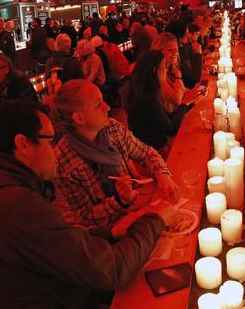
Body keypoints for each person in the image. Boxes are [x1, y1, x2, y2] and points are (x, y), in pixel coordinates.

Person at [0, 100, 173, 309]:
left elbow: (60, 242)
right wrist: (155, 219)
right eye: (49, 141)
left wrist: (112, 232)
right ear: (23, 144)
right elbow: (112, 270)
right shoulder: (15, 207)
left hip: (68, 298)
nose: (55, 152)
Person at [53, 80, 179, 229]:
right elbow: (85, 218)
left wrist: (163, 175)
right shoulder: (63, 162)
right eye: (98, 104)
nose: (107, 107)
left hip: (137, 207)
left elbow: (147, 154)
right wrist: (119, 200)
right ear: (79, 118)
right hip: (110, 233)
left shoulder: (112, 129)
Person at [127, 50, 200, 155]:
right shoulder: (146, 99)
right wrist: (185, 103)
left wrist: (192, 102)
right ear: (154, 70)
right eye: (164, 66)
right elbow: (171, 129)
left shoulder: (145, 91)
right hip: (152, 155)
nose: (166, 69)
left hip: (156, 148)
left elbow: (167, 118)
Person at [151, 32, 186, 112]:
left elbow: (181, 91)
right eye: (169, 50)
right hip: (171, 119)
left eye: (176, 49)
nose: (175, 53)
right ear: (158, 52)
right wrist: (178, 79)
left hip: (179, 112)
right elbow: (176, 100)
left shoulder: (171, 69)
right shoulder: (157, 72)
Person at [166, 19, 202, 89]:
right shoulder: (176, 53)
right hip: (185, 91)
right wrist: (198, 54)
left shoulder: (184, 46)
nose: (188, 36)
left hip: (185, 90)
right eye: (187, 33)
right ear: (179, 35)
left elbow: (191, 65)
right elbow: (193, 79)